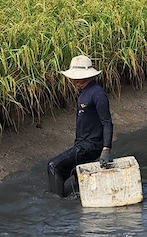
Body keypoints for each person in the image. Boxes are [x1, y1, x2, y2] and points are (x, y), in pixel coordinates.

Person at [47, 55, 114, 197]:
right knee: (75, 175)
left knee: (53, 166)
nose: (70, 80)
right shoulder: (85, 92)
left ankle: (57, 203)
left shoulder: (97, 94)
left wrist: (106, 150)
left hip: (90, 146)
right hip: (82, 144)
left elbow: (107, 122)